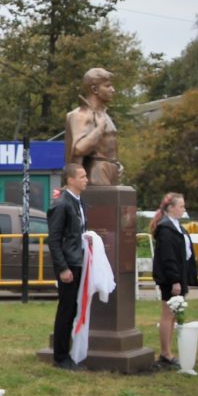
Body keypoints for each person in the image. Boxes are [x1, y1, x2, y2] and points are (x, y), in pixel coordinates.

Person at [150, 192, 198, 369]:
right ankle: (165, 353)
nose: (183, 209)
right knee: (168, 314)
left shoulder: (176, 226)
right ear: (170, 208)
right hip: (171, 278)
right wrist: (175, 280)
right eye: (181, 206)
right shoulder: (166, 229)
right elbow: (168, 257)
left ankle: (168, 352)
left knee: (173, 316)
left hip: (179, 275)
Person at [48, 165, 89, 369]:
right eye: (82, 176)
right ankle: (60, 356)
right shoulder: (62, 204)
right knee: (66, 309)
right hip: (69, 264)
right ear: (70, 180)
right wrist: (63, 268)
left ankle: (69, 352)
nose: (86, 180)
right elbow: (54, 239)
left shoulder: (78, 202)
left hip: (78, 260)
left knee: (73, 308)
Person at [64, 69, 122, 187]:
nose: (113, 90)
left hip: (111, 172)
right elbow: (78, 149)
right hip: (96, 174)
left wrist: (116, 164)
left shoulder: (104, 115)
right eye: (107, 86)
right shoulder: (79, 115)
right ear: (95, 89)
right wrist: (99, 129)